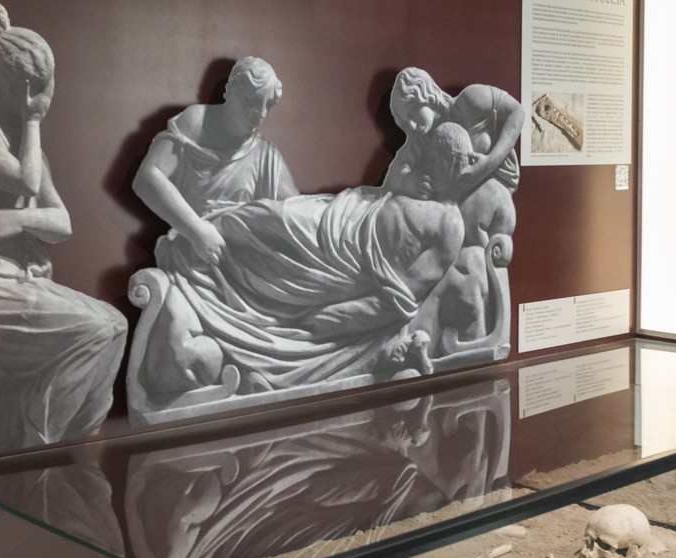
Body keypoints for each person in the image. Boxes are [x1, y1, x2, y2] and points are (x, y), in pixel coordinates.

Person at [128, 123, 475, 405]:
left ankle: (208, 277)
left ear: (460, 166)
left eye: (447, 160)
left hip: (349, 267)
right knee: (274, 216)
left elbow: (403, 297)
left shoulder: (450, 225)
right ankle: (192, 243)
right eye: (436, 155)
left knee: (272, 252)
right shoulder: (420, 178)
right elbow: (390, 181)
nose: (436, 165)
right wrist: (403, 181)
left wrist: (335, 318)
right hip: (342, 215)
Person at [0, 3, 126, 455]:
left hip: (25, 281)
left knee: (114, 325)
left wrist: (17, 219)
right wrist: (35, 121)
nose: (44, 101)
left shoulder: (25, 145)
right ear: (13, 88)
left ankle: (64, 444)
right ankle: (35, 447)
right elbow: (25, 181)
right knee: (97, 330)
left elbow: (61, 223)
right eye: (37, 91)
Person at [132, 56, 298, 266]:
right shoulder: (196, 123)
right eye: (251, 101)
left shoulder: (266, 156)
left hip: (247, 257)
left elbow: (294, 214)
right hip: (198, 252)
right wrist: (197, 232)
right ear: (230, 91)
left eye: (268, 106)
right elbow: (147, 178)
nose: (261, 114)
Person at [383, 67, 525, 201]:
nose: (413, 126)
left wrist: (487, 164)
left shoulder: (470, 100)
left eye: (412, 113)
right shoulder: (421, 138)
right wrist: (408, 182)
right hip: (455, 206)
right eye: (407, 122)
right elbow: (393, 175)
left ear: (425, 94)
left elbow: (517, 112)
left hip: (496, 191)